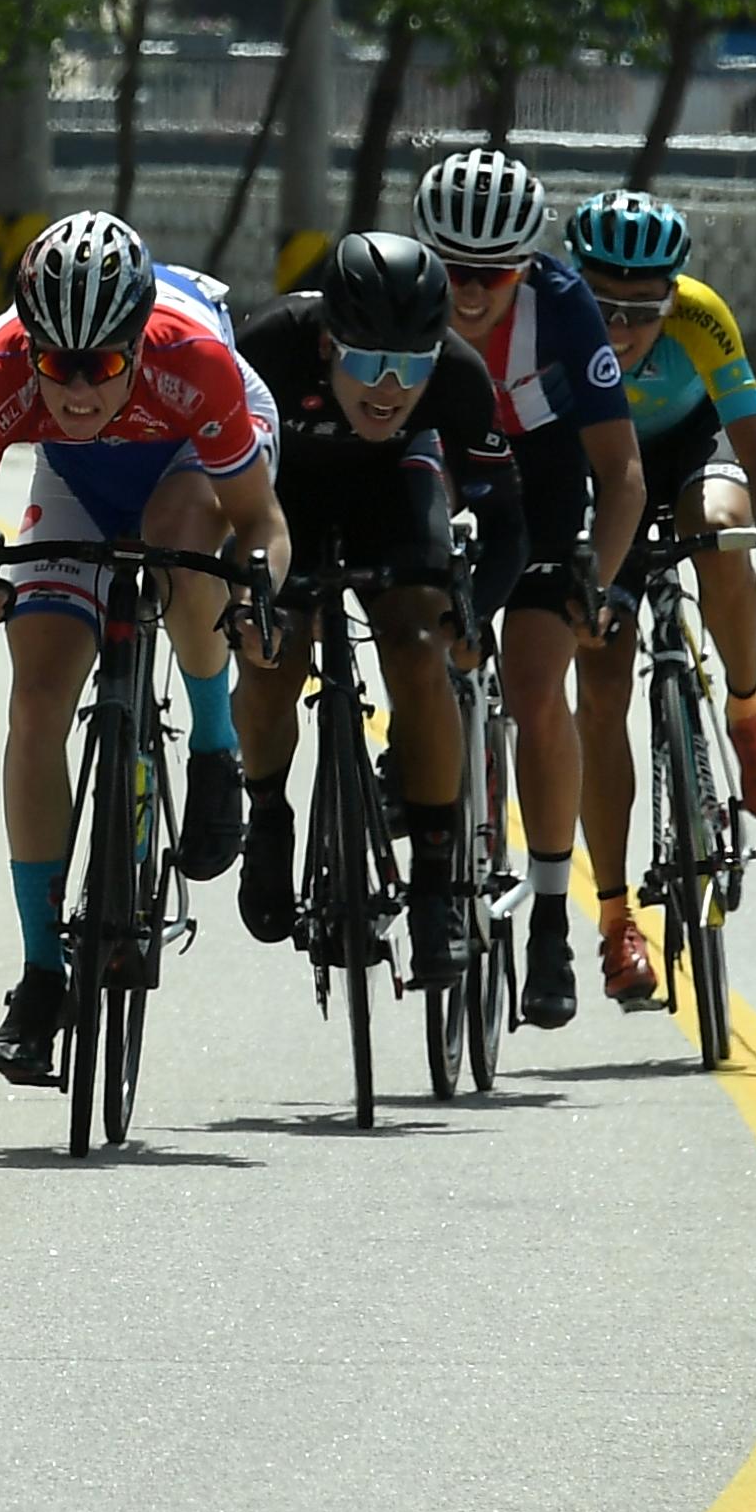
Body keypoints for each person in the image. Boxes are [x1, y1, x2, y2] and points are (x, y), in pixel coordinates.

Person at [0, 212, 293, 1087]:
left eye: (103, 365)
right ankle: (44, 973)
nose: (77, 392)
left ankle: (214, 746)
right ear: (31, 348)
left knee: (183, 537)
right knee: (36, 701)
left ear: (136, 345)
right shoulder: (0, 369)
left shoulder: (192, 356)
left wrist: (254, 589)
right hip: (77, 484)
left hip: (192, 456)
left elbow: (263, 523)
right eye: (58, 366)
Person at [225, 234, 516, 982]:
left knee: (419, 644)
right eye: (367, 362)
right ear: (327, 342)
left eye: (409, 367)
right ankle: (269, 817)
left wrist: (472, 620)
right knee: (269, 653)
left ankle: (433, 882)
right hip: (285, 498)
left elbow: (507, 521)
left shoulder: (458, 377)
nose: (388, 388)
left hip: (394, 493)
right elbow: (212, 490)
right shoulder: (266, 349)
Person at [561, 189, 756, 1003]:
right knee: (600, 685)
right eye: (603, 305)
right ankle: (614, 919)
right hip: (598, 476)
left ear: (674, 296)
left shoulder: (702, 318)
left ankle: (746, 714)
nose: (622, 328)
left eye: (644, 310)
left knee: (724, 527)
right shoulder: (549, 323)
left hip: (684, 459)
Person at [413, 148, 646, 1031]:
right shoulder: (404, 294)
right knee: (419, 640)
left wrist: (601, 581)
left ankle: (551, 917)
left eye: (494, 274)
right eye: (455, 272)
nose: (471, 294)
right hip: (438, 466)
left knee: (540, 687)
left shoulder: (563, 307)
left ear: (527, 265)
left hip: (539, 479)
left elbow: (620, 474)